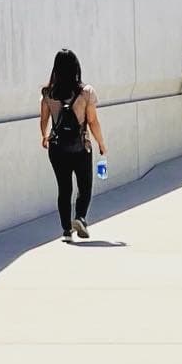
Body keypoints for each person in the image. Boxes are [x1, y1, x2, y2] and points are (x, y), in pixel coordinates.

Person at [39, 48, 107, 242]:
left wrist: (43, 136)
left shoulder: (47, 93)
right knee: (84, 186)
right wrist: (101, 143)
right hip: (81, 145)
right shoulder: (86, 92)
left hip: (57, 146)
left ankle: (66, 230)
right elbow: (93, 121)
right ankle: (80, 218)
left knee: (64, 188)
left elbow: (43, 118)